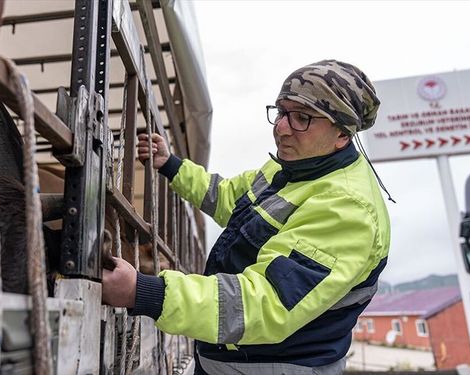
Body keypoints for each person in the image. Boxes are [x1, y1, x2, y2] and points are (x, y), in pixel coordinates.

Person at [102, 60, 391, 374]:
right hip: (230, 359)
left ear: (342, 135)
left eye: (302, 118)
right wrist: (172, 165)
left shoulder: (347, 209)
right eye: (281, 112)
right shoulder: (289, 168)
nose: (281, 128)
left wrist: (146, 292)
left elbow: (265, 305)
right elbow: (228, 197)